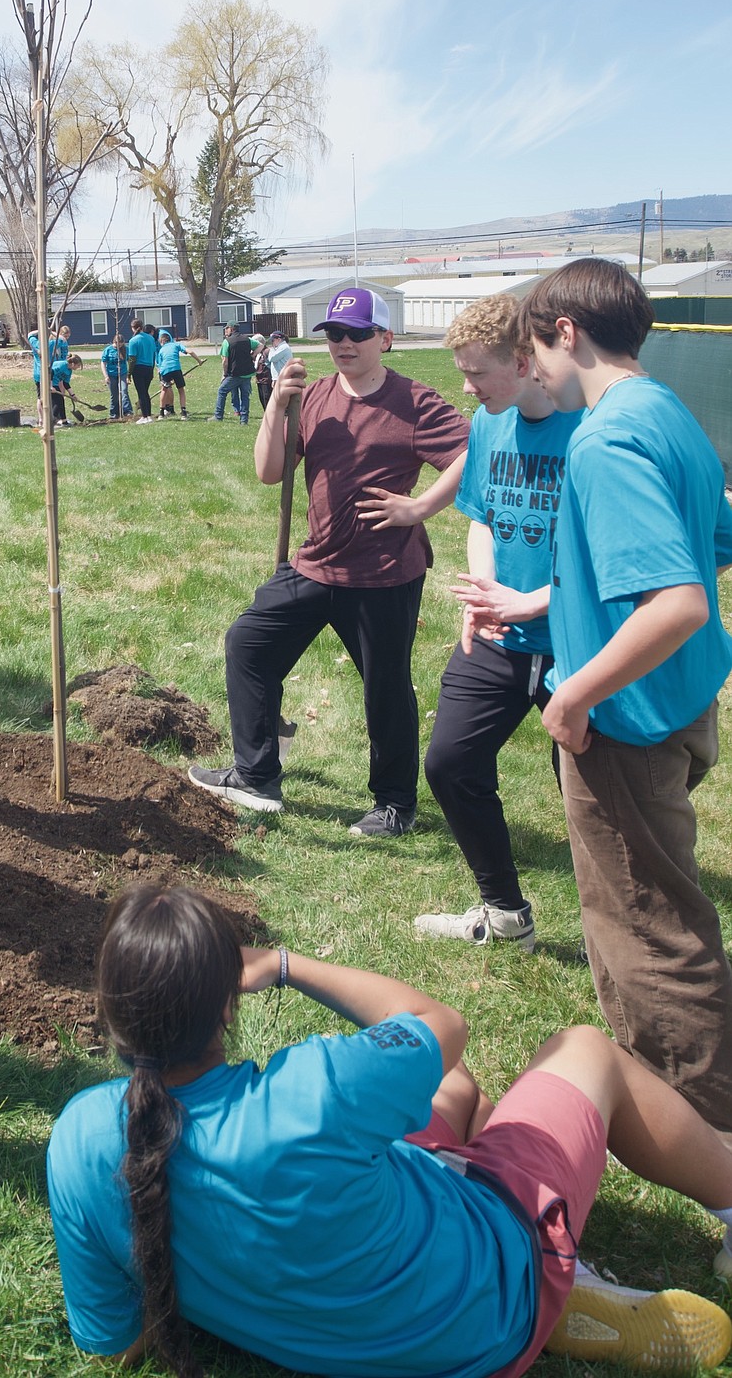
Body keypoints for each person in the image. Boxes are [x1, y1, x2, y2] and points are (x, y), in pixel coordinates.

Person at [47, 882, 732, 1378]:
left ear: (111, 1016)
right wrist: (286, 965)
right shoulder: (320, 1089)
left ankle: (534, 1227)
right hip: (484, 1309)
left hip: (347, 1316)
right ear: (229, 1003)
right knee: (584, 1049)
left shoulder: (79, 1141)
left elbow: (115, 1344)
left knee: (457, 1094)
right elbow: (444, 1025)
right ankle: (563, 1258)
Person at [504, 258, 732, 1133]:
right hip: (681, 704)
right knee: (668, 906)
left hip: (625, 724)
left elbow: (676, 602)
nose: (533, 372)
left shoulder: (604, 438)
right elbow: (715, 538)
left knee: (651, 935)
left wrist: (574, 695)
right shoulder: (667, 409)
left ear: (568, 332)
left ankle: (707, 1135)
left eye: (535, 350)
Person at [190, 288, 468, 833]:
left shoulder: (415, 402)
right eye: (335, 334)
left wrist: (420, 507)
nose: (344, 343)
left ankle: (394, 805)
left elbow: (473, 452)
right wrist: (275, 406)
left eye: (358, 333)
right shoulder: (312, 397)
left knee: (385, 687)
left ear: (384, 339)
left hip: (384, 573)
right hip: (316, 563)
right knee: (249, 644)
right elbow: (270, 472)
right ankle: (256, 774)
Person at [414, 294, 580, 951]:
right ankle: (506, 916)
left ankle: (630, 931)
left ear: (522, 361)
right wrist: (484, 591)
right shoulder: (488, 423)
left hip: (576, 640)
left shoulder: (589, 427)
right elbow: (481, 514)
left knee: (591, 793)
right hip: (498, 634)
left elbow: (607, 559)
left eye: (476, 372)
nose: (465, 385)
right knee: (451, 763)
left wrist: (534, 601)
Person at [213, 324, 254, 424]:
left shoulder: (227, 341)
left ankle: (218, 416)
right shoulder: (247, 339)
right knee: (245, 396)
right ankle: (244, 420)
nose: (225, 331)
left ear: (231, 329)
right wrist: (252, 355)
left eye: (226, 328)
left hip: (234, 374)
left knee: (222, 391)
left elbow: (225, 361)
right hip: (247, 373)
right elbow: (260, 345)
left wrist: (225, 374)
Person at [157, 329, 196, 418]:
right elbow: (190, 351)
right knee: (181, 390)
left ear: (162, 341)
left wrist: (166, 380)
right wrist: (199, 361)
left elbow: (160, 366)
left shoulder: (161, 350)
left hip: (165, 371)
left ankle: (161, 413)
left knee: (164, 390)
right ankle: (183, 412)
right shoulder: (176, 345)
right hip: (176, 369)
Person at [126, 318, 157, 422]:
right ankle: (148, 415)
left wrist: (129, 373)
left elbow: (132, 359)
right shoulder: (150, 338)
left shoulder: (133, 340)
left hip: (138, 369)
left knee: (141, 393)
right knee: (145, 392)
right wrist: (152, 369)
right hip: (149, 368)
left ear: (132, 328)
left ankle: (145, 417)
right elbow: (153, 355)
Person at [100, 332, 131, 419]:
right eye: (117, 343)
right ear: (114, 342)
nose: (119, 345)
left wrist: (129, 375)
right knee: (114, 394)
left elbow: (130, 361)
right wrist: (106, 376)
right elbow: (103, 363)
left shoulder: (126, 349)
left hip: (123, 373)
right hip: (111, 375)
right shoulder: (108, 350)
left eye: (121, 343)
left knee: (124, 391)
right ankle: (114, 413)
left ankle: (127, 411)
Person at [50, 351, 83, 424]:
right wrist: (51, 386)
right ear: (73, 364)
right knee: (58, 402)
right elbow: (50, 372)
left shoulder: (69, 371)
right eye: (78, 365)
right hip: (48, 382)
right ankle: (50, 421)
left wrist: (73, 395)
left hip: (55, 384)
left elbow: (66, 383)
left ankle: (64, 421)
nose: (78, 368)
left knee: (60, 401)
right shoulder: (62, 365)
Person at [253, 335, 273, 411]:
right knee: (262, 398)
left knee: (266, 397)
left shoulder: (267, 351)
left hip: (266, 378)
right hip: (259, 378)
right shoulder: (258, 353)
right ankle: (266, 414)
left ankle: (270, 415)